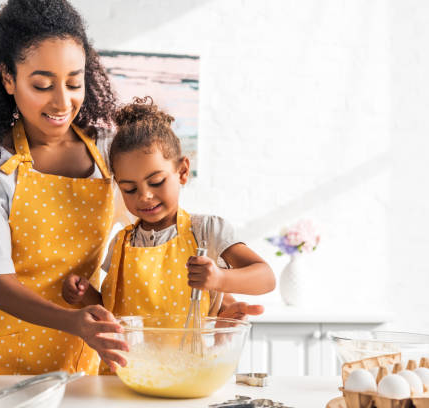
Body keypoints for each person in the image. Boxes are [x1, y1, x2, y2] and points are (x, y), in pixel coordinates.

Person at [0, 0, 131, 375]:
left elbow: (157, 231)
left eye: (74, 82)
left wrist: (215, 297)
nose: (63, 102)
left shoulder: (111, 151)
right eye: (42, 85)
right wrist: (74, 320)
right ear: (8, 78)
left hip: (76, 353)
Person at [62, 97, 276, 372]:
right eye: (129, 189)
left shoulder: (206, 230)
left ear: (183, 171)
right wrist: (84, 294)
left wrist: (220, 278)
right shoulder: (121, 243)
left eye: (156, 182)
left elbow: (266, 277)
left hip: (187, 373)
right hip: (126, 374)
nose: (145, 196)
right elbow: (114, 310)